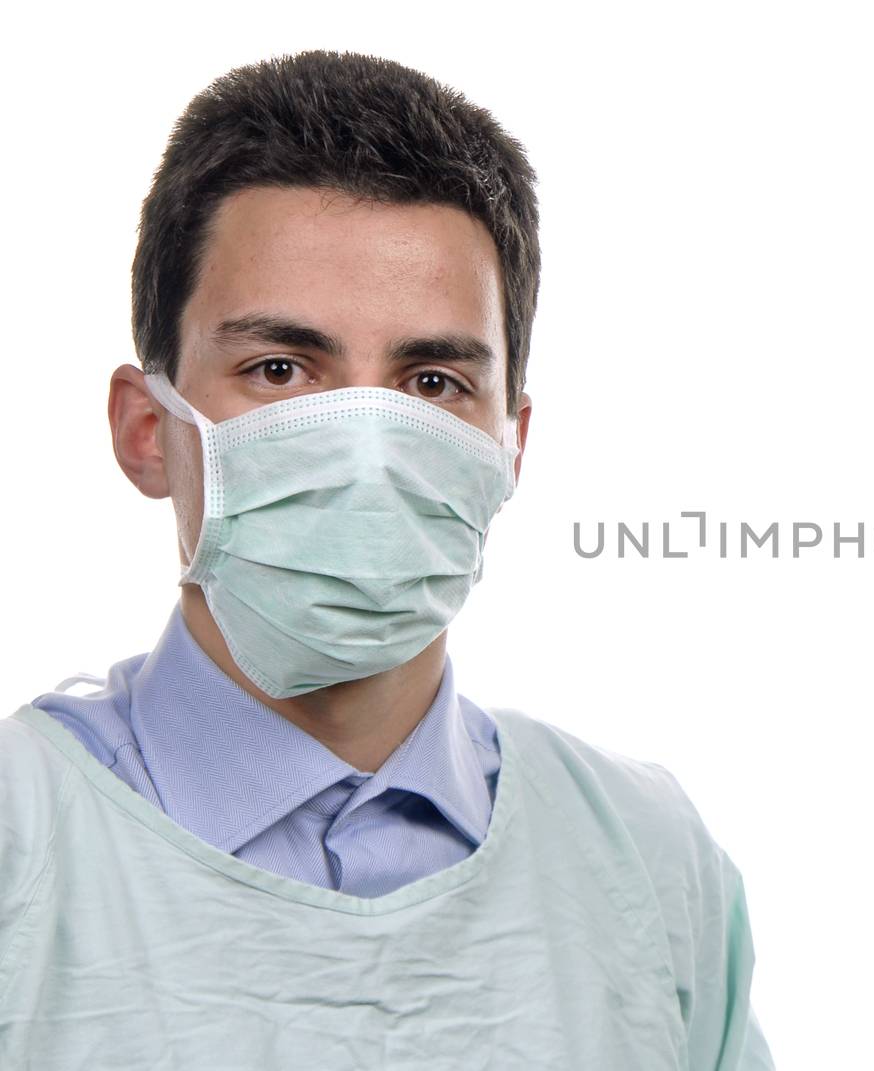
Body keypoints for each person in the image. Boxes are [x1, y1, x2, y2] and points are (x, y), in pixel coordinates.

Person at [0, 51, 771, 1070]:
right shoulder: (24, 844)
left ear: (512, 443)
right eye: (280, 369)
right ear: (148, 429)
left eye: (434, 381)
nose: (365, 443)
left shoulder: (645, 857)